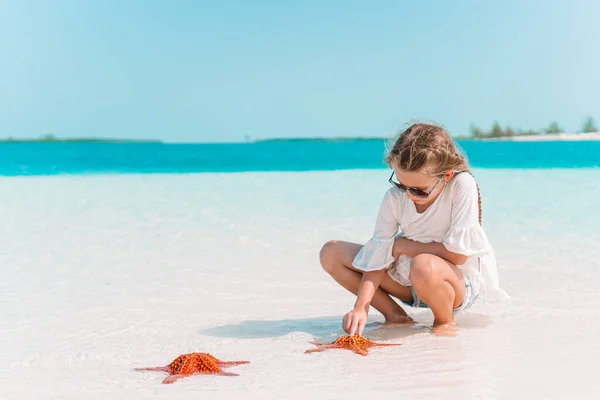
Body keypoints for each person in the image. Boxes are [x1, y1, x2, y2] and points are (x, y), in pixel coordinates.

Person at [319, 122, 510, 336]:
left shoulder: (461, 185)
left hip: (453, 286)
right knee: (331, 252)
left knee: (423, 264)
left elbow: (457, 256)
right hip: (407, 280)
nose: (408, 195)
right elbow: (378, 256)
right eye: (401, 185)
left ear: (445, 176)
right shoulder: (394, 198)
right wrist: (361, 307)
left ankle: (444, 322)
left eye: (419, 190)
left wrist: (404, 245)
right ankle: (395, 316)